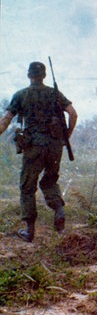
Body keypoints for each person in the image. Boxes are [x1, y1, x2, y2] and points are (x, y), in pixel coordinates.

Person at [0, 62, 78, 243]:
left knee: (27, 187)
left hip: (34, 147)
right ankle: (59, 211)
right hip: (54, 146)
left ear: (29, 75)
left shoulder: (20, 95)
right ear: (43, 76)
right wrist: (67, 135)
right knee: (50, 181)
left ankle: (29, 231)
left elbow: (6, 120)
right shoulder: (54, 93)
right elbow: (73, 114)